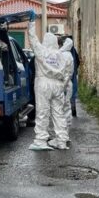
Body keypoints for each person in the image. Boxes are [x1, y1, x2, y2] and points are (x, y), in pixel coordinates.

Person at [27, 13, 69, 151]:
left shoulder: (42, 51)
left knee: (43, 112)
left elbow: (32, 39)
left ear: (45, 41)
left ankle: (41, 140)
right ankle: (62, 141)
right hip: (57, 84)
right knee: (58, 113)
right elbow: (65, 72)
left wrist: (32, 23)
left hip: (43, 83)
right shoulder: (60, 55)